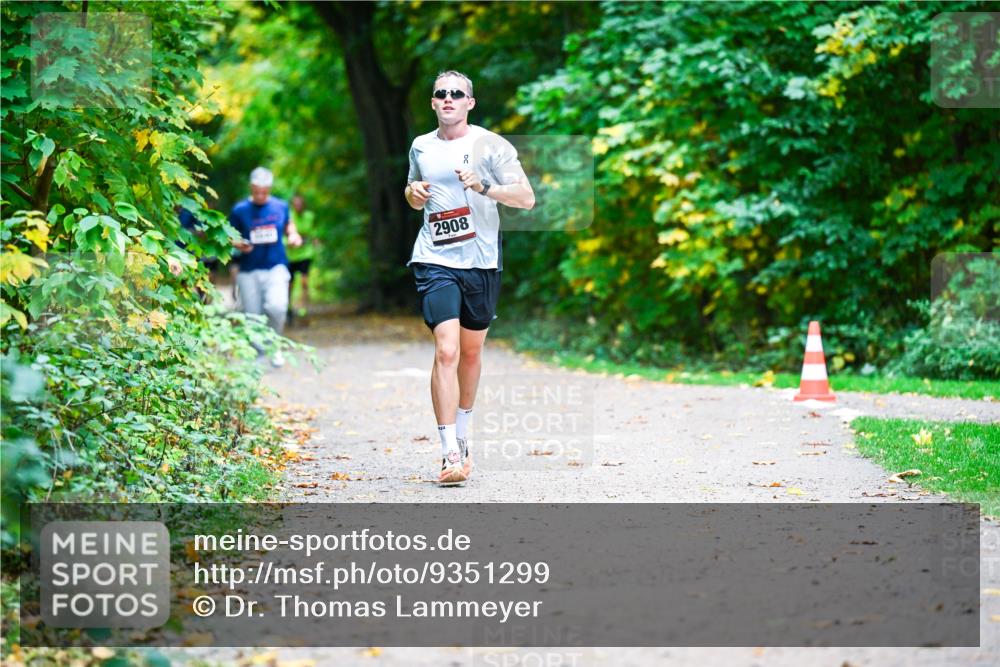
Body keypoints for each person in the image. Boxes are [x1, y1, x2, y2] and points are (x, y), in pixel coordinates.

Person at [404, 70, 535, 486]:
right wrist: (414, 194)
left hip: (480, 261)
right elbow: (410, 190)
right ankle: (448, 452)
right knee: (447, 351)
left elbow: (527, 198)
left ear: (469, 103)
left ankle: (463, 435)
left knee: (471, 352)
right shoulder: (421, 146)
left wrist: (484, 187)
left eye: (456, 94)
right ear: (433, 102)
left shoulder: (491, 146)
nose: (448, 99)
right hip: (434, 258)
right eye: (440, 93)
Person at [229, 167, 302, 367]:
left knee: (277, 308)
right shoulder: (240, 210)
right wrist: (239, 244)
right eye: (256, 191)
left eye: (264, 191)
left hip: (275, 265)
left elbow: (289, 225)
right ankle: (258, 354)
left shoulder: (280, 206)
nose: (260, 195)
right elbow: (228, 236)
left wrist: (294, 236)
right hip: (249, 269)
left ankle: (274, 344)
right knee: (252, 315)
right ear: (251, 188)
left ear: (269, 188)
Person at [286, 193, 319, 326]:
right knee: (290, 284)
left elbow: (314, 233)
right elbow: (284, 234)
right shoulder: (288, 216)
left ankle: (304, 309)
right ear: (293, 205)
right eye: (296, 204)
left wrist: (315, 240)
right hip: (291, 254)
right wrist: (288, 242)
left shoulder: (310, 216)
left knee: (305, 282)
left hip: (305, 253)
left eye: (300, 204)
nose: (298, 206)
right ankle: (289, 309)